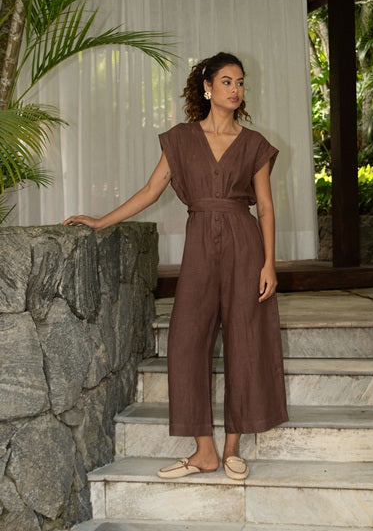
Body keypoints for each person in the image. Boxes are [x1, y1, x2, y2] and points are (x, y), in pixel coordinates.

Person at [64, 51, 288, 481]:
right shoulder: (182, 139)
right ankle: (204, 451)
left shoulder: (254, 144)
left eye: (240, 82)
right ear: (207, 87)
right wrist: (100, 221)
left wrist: (269, 264)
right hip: (200, 243)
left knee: (245, 341)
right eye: (227, 81)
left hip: (244, 244)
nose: (235, 89)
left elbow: (265, 207)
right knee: (186, 341)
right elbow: (151, 190)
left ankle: (232, 447)